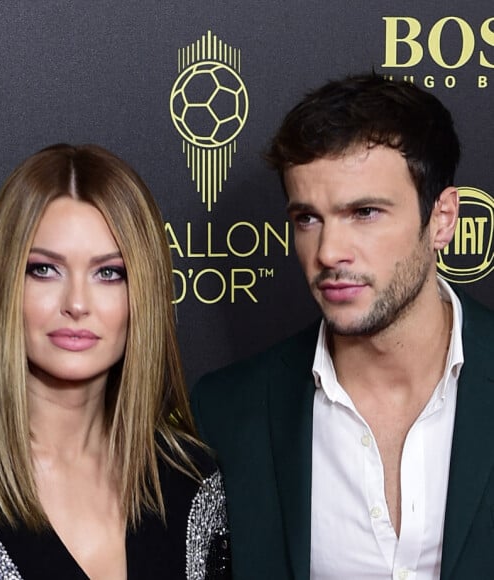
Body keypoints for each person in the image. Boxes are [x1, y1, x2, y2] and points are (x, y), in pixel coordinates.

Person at [191, 74, 494, 579]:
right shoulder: (228, 411)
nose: (328, 252)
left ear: (442, 218)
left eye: (365, 212)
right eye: (308, 219)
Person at [0, 144, 230, 579]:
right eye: (44, 269)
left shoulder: (191, 480)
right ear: (4, 284)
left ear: (145, 293)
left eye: (109, 273)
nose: (77, 303)